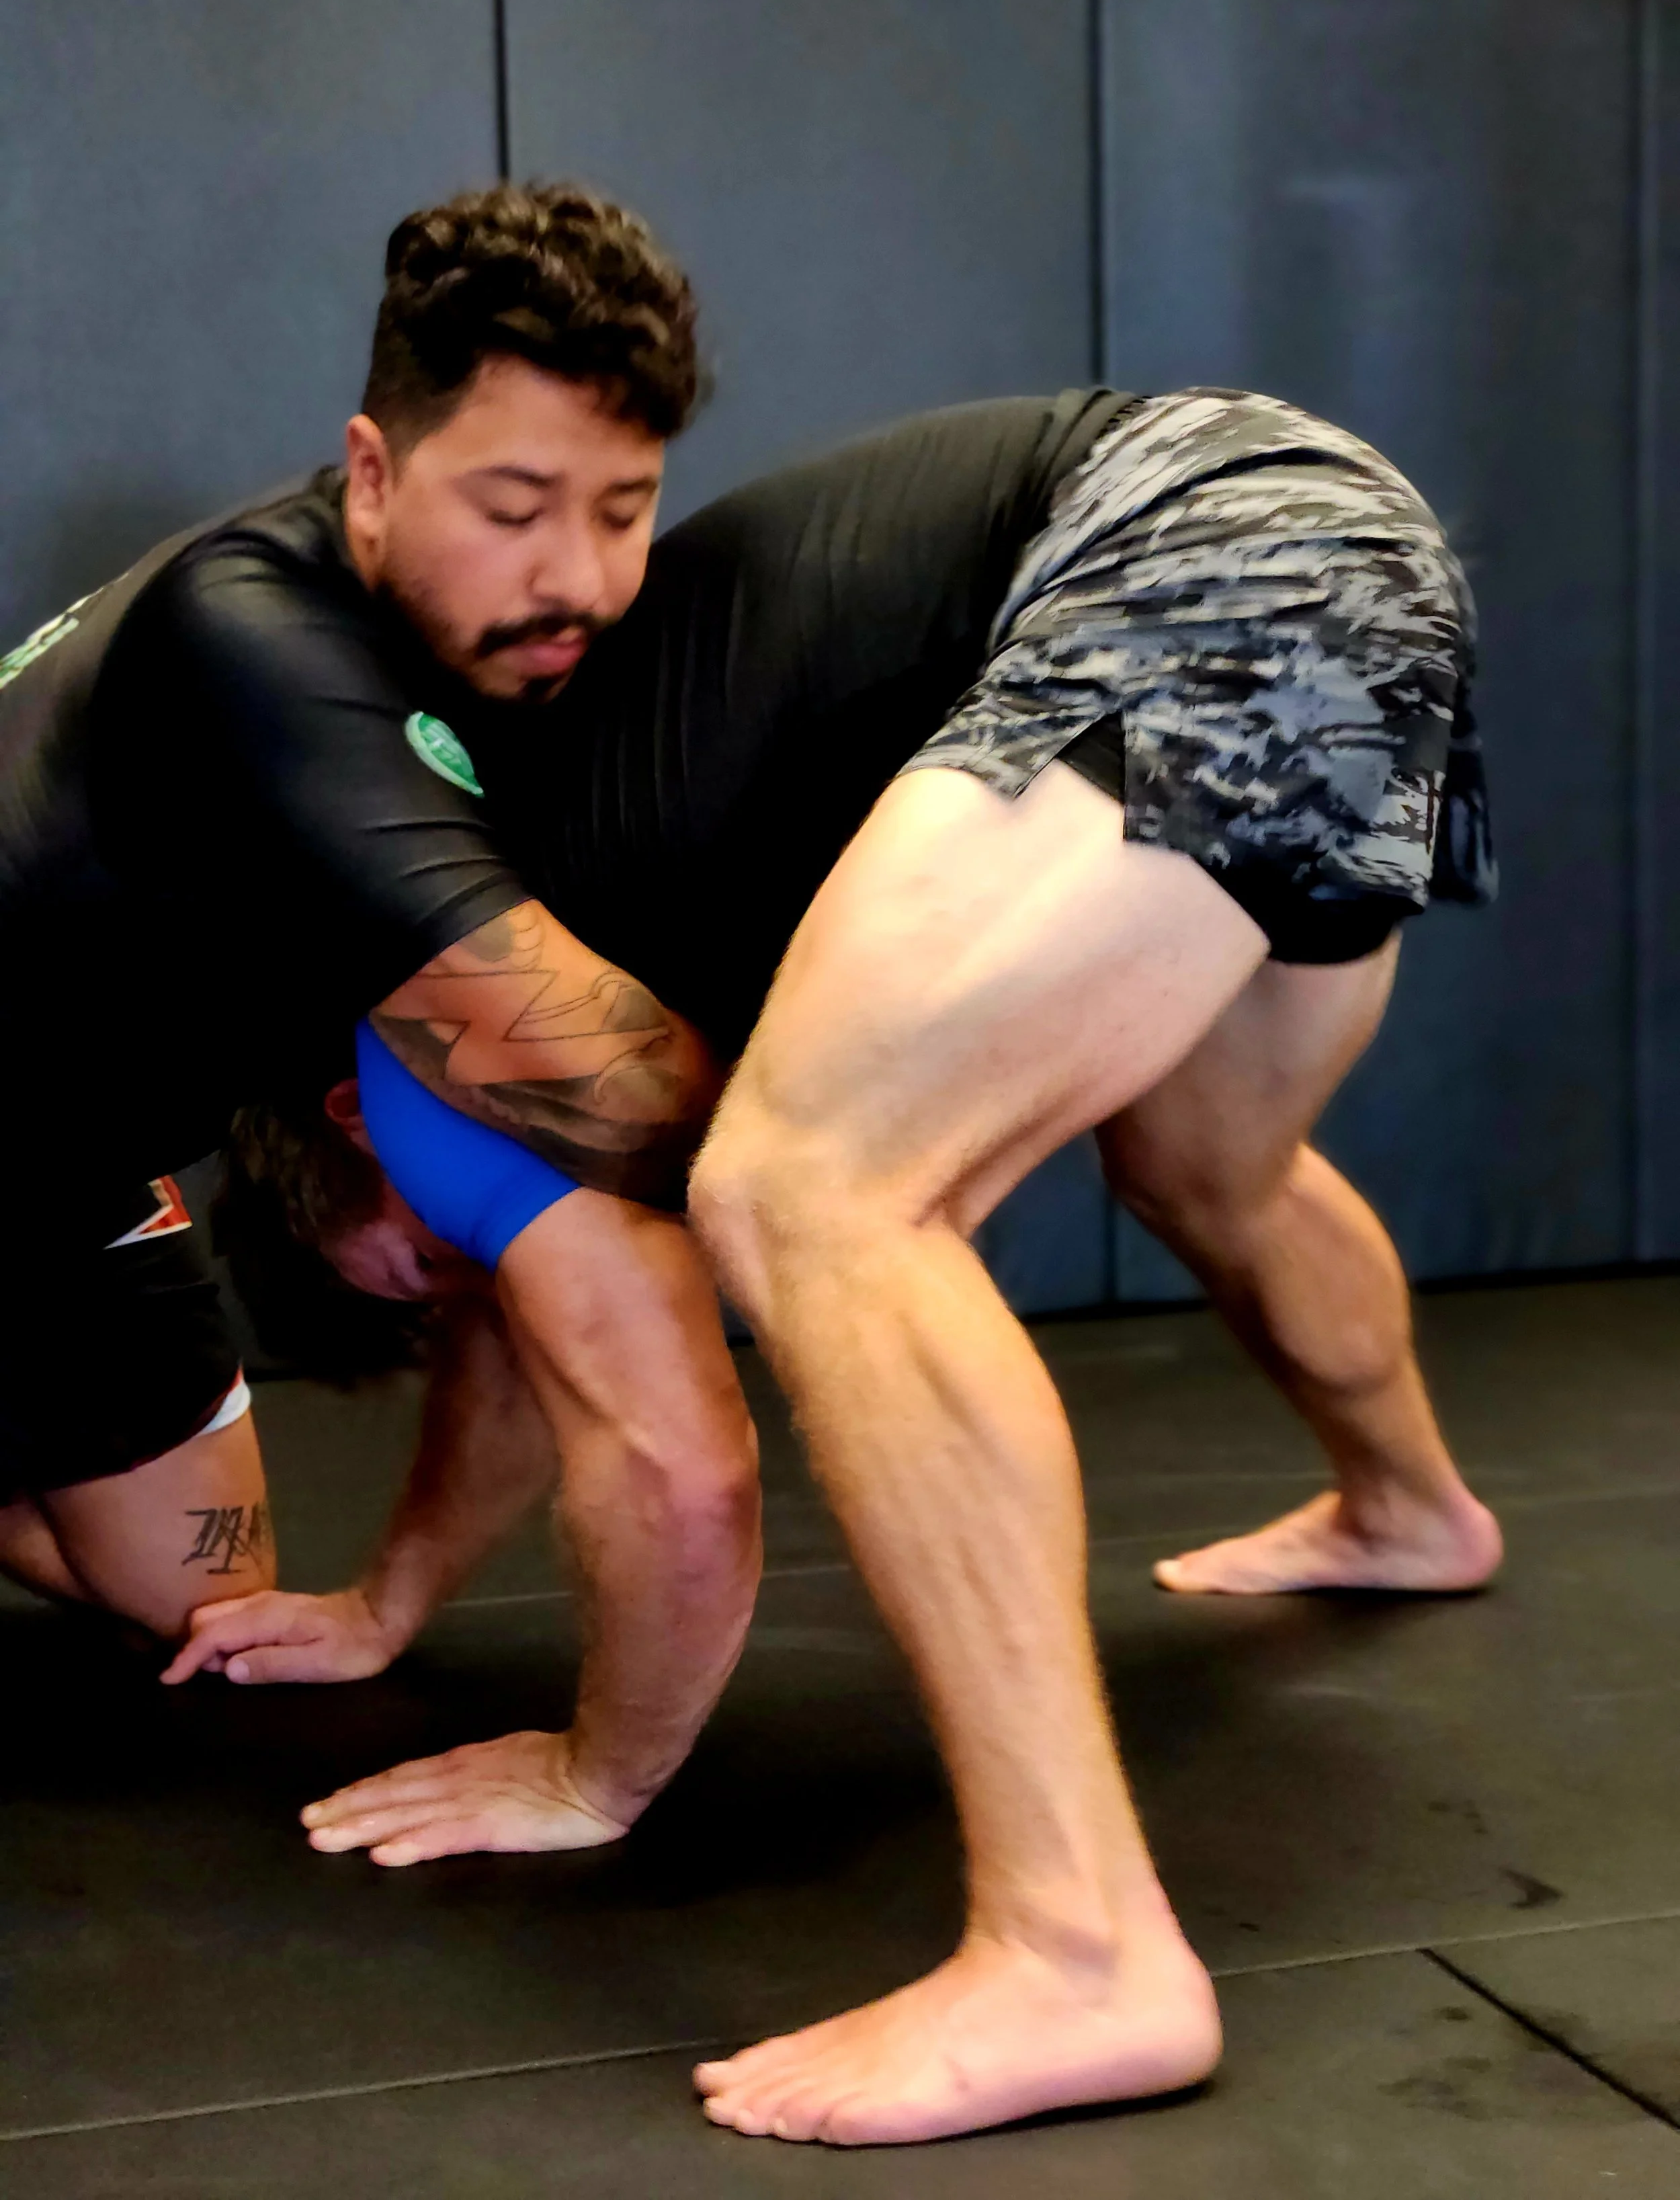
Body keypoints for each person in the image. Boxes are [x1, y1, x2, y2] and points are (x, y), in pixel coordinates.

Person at [181, 237, 1495, 2141]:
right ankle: (1409, 1508)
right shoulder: (554, 920)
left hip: (1174, 558)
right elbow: (525, 1319)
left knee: (809, 1191)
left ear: (335, 1157)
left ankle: (1076, 1948)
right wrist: (391, 1595)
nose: (452, 1289)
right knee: (1213, 1159)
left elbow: (666, 1449)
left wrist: (592, 1770)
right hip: (1328, 544)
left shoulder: (424, 1048)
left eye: (402, 1276)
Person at [0, 182, 759, 1843]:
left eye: (624, 510)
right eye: (514, 506)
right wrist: (884, 1143)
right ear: (370, 473)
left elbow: (303, 942)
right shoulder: (252, 641)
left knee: (203, 1611)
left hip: (66, 1179)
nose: (579, 577)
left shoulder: (477, 642)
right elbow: (587, 1075)